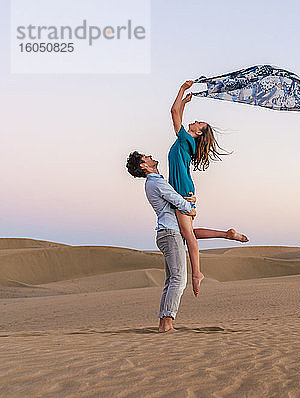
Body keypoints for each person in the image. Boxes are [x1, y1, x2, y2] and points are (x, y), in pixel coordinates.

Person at [169, 80, 248, 297]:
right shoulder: (186, 141)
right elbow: (179, 114)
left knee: (189, 237)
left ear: (198, 133)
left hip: (182, 191)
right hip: (183, 190)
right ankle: (227, 234)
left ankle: (197, 273)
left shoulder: (187, 141)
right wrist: (185, 102)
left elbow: (173, 112)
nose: (193, 122)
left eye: (198, 123)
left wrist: (182, 89)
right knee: (189, 233)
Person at [126, 151, 196, 332]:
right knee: (179, 279)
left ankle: (163, 323)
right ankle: (167, 323)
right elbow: (178, 202)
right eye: (145, 157)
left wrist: (186, 203)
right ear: (143, 165)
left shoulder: (155, 181)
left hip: (167, 233)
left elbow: (175, 200)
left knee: (171, 280)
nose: (149, 156)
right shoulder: (156, 182)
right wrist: (191, 207)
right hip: (170, 233)